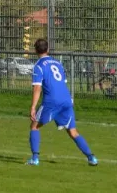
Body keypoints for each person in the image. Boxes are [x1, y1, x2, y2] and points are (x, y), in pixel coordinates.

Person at [27, 38, 98, 166]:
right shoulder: (57, 63)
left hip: (51, 101)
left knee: (34, 126)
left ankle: (35, 158)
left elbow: (37, 88)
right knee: (73, 131)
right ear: (48, 49)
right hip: (66, 99)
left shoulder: (38, 66)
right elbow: (62, 83)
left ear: (35, 50)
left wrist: (33, 107)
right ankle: (91, 157)